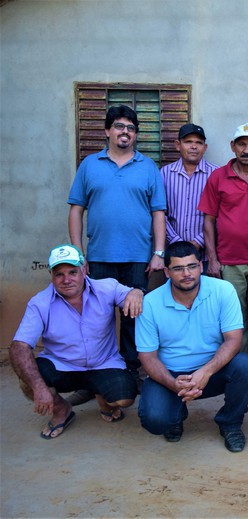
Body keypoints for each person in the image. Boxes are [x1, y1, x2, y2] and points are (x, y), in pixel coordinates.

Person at [68, 105, 166, 387]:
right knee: (97, 318)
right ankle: (98, 371)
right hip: (98, 257)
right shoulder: (90, 165)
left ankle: (131, 371)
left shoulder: (147, 167)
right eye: (120, 126)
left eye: (131, 128)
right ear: (108, 131)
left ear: (136, 134)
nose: (126, 132)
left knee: (134, 316)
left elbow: (158, 212)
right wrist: (77, 256)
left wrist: (158, 252)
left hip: (137, 257)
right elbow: (76, 210)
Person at [9, 244, 142, 439]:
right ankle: (61, 409)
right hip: (62, 365)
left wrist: (136, 292)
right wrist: (39, 388)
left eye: (72, 272)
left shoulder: (107, 287)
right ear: (51, 275)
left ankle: (102, 397)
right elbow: (19, 347)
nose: (66, 280)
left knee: (124, 398)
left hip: (103, 364)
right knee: (27, 379)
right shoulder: (40, 303)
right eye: (59, 274)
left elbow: (132, 296)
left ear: (84, 269)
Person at [136, 242, 248, 452]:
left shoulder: (223, 290)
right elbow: (147, 357)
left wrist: (206, 371)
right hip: (172, 374)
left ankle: (230, 423)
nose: (187, 274)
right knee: (155, 420)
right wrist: (174, 384)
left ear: (201, 267)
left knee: (246, 367)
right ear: (166, 272)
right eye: (178, 268)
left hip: (212, 371)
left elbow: (233, 340)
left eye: (192, 266)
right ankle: (175, 416)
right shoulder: (150, 303)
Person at [198, 122, 248, 382]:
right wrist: (212, 259)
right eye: (242, 144)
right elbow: (208, 220)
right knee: (236, 321)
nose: (247, 150)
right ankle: (240, 371)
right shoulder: (218, 177)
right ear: (232, 146)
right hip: (228, 262)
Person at [159, 123, 217, 268]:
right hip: (174, 255)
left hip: (205, 256)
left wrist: (198, 242)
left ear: (205, 147)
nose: (194, 146)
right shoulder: (165, 173)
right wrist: (177, 242)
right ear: (178, 145)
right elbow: (160, 213)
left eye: (198, 143)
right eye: (188, 142)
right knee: (176, 291)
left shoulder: (216, 174)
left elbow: (221, 214)